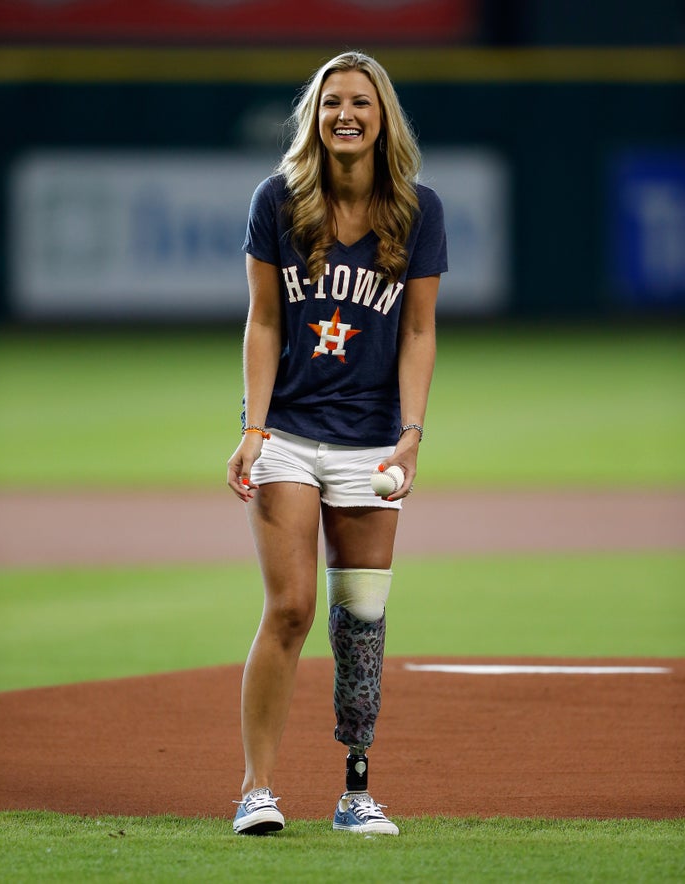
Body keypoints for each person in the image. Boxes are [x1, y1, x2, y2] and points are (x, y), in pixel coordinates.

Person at [226, 50, 447, 837]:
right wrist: (252, 427)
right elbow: (262, 319)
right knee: (290, 607)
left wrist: (411, 436)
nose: (344, 114)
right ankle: (256, 788)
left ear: (383, 116)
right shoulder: (277, 202)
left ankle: (356, 793)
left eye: (359, 102)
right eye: (330, 104)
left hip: (369, 447)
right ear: (314, 119)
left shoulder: (418, 211)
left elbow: (418, 329)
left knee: (361, 622)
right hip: (287, 432)